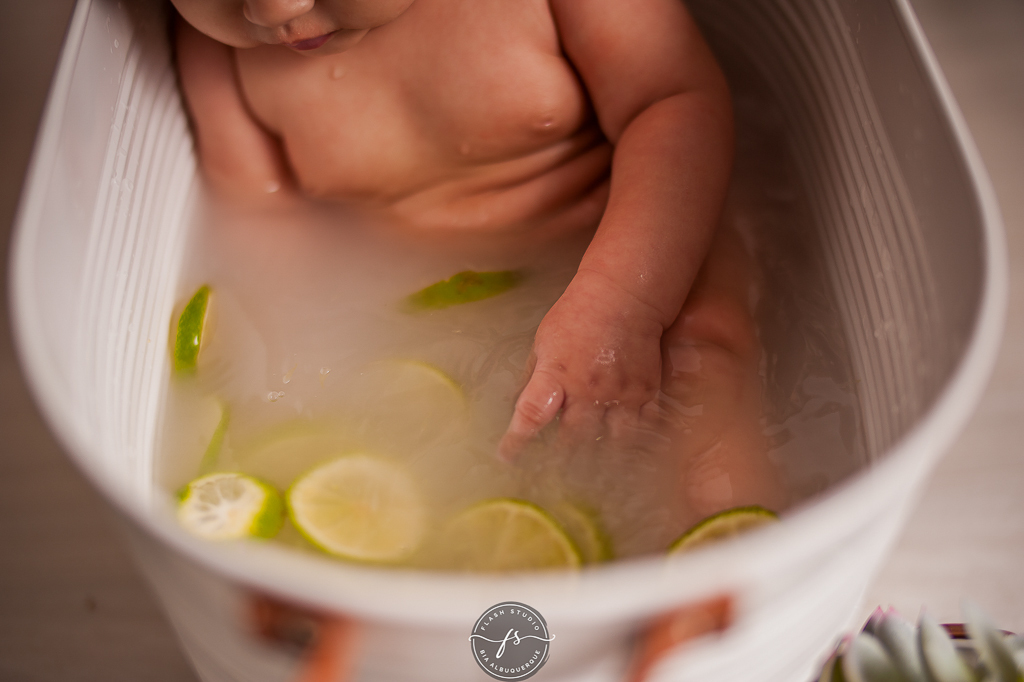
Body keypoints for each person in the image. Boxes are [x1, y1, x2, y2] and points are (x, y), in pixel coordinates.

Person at [172, 0, 785, 513]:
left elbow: (673, 100)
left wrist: (622, 304)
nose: (271, 8)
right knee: (406, 454)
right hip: (423, 300)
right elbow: (262, 221)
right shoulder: (220, 53)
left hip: (639, 244)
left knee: (699, 369)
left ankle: (724, 571)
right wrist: (296, 370)